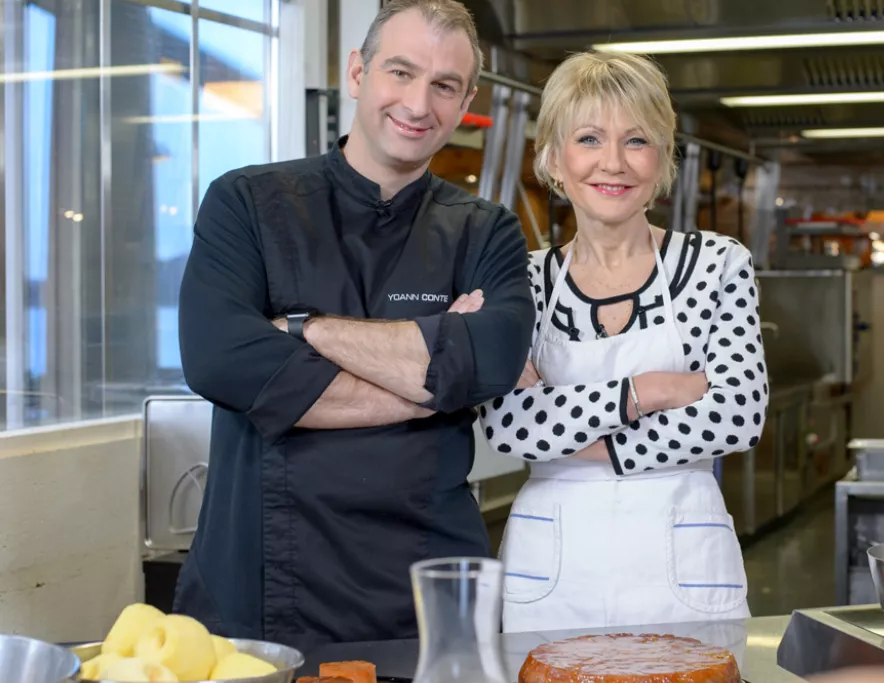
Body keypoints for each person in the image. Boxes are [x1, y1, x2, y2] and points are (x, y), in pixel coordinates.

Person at [173, 0, 534, 652]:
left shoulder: (486, 230)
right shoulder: (246, 203)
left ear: (467, 100)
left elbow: (493, 357)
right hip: (262, 593)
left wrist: (301, 328)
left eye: (444, 85)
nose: (419, 104)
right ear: (358, 71)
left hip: (422, 604)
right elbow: (218, 356)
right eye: (401, 72)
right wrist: (432, 375)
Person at [477, 50, 770, 633]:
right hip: (551, 572)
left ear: (661, 159)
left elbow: (738, 413)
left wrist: (579, 435)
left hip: (683, 567)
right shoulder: (522, 279)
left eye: (636, 141)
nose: (613, 163)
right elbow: (508, 426)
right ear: (554, 158)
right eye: (588, 138)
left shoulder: (716, 264)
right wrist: (652, 389)